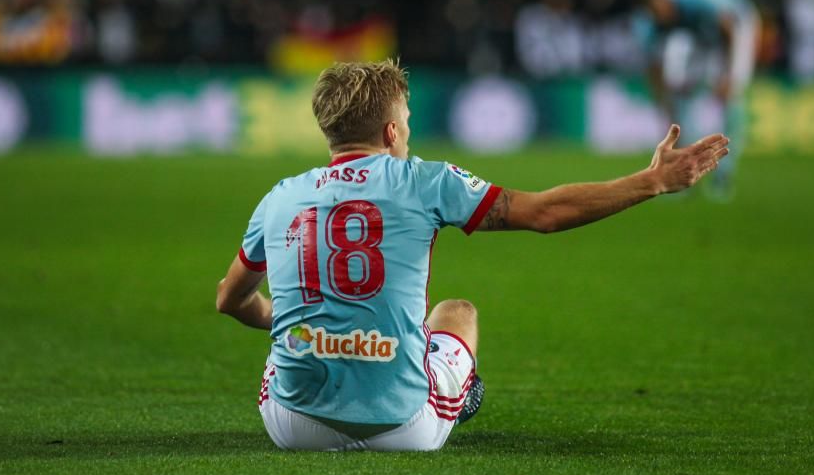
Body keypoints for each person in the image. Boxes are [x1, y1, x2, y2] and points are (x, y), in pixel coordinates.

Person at [216, 59, 729, 451]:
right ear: (392, 131)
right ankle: (458, 394)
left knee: (290, 335)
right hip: (401, 428)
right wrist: (653, 180)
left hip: (291, 426)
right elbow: (545, 213)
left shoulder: (279, 197)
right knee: (456, 313)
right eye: (407, 119)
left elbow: (229, 299)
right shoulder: (426, 180)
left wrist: (297, 325)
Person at [631, 0, 759, 199]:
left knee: (731, 98)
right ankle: (682, 176)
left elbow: (728, 31)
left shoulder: (698, 2)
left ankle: (723, 177)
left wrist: (727, 77)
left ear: (667, 1)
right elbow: (655, 66)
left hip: (737, 22)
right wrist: (664, 102)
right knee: (681, 96)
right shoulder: (650, 24)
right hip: (700, 36)